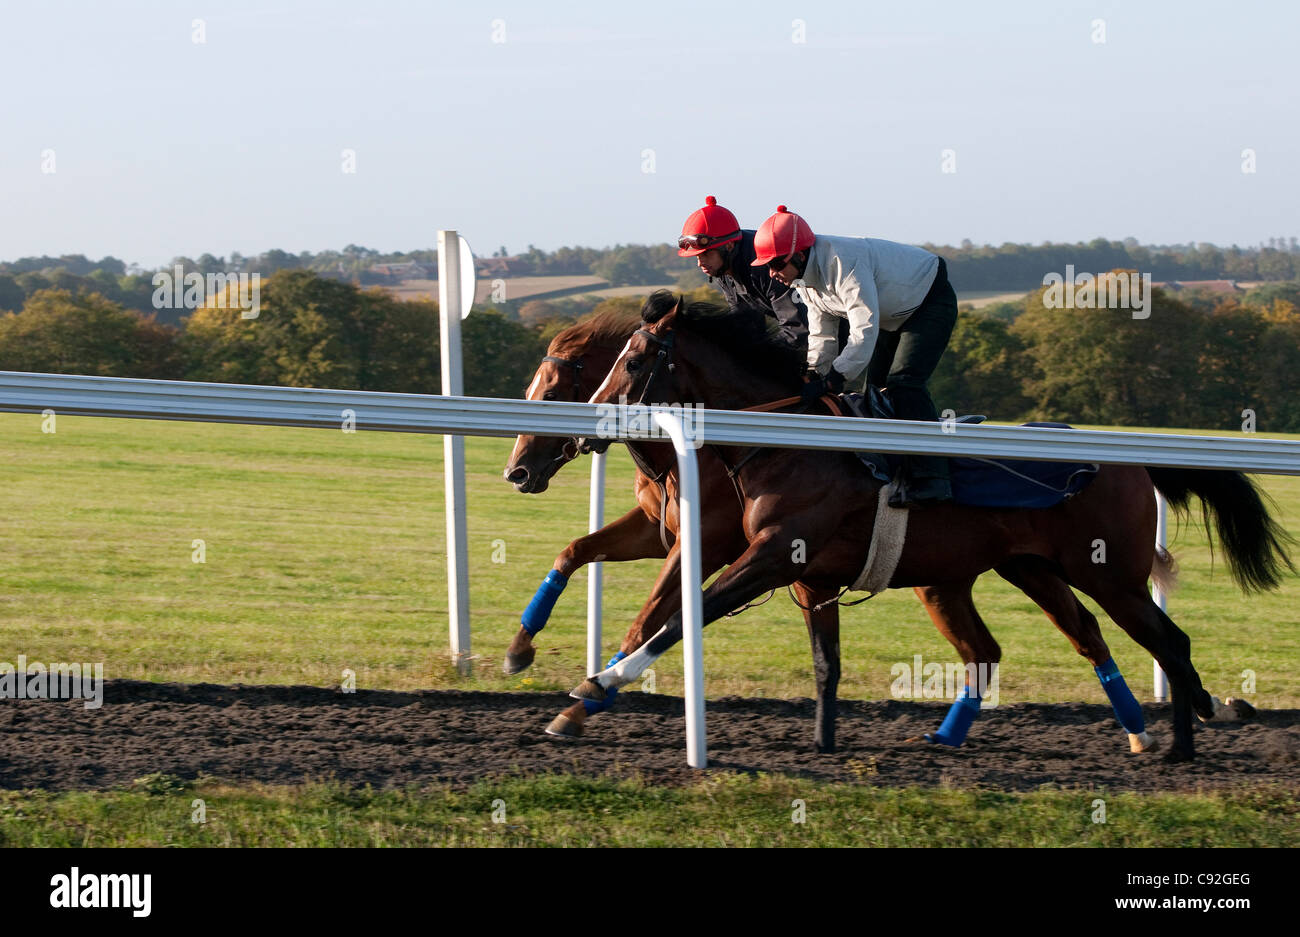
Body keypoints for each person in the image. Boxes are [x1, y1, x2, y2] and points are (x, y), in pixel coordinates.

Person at [751, 205, 958, 507]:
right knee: (875, 392)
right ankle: (896, 471)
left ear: (799, 254)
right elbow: (823, 334)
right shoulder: (805, 277)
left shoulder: (842, 261)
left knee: (904, 383)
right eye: (767, 266)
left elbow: (864, 328)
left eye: (777, 264)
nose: (772, 273)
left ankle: (935, 478)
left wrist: (836, 377)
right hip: (893, 313)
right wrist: (813, 374)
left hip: (929, 303)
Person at [677, 196, 807, 349]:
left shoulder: (767, 266)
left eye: (706, 254)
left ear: (730, 246)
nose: (700, 263)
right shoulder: (723, 267)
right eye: (697, 256)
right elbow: (746, 327)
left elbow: (799, 331)